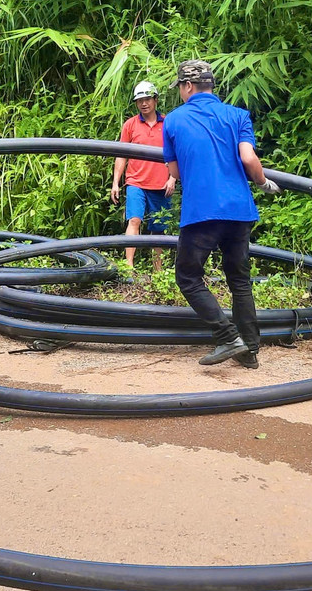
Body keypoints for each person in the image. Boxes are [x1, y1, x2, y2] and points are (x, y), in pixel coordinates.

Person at [161, 59, 280, 369]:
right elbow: (248, 158)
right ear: (211, 86)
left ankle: (228, 337)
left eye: (181, 88)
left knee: (187, 276)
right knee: (239, 280)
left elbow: (174, 170)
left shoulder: (173, 121)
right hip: (239, 209)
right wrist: (264, 182)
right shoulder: (237, 115)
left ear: (187, 87)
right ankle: (250, 350)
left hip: (202, 210)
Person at [109, 80, 176, 272]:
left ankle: (158, 270)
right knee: (134, 220)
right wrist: (116, 182)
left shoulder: (168, 123)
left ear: (155, 100)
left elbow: (177, 153)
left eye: (147, 99)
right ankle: (128, 266)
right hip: (136, 181)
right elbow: (121, 154)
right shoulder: (130, 125)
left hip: (161, 184)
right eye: (140, 100)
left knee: (159, 228)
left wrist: (173, 178)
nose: (144, 103)